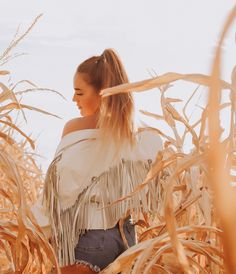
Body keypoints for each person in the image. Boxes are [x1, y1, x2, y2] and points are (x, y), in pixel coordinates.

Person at [31, 48, 162, 272]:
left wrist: (30, 229)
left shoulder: (75, 130)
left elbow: (56, 195)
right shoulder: (143, 139)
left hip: (86, 240)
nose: (74, 99)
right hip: (128, 242)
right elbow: (152, 193)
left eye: (80, 93)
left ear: (102, 92)